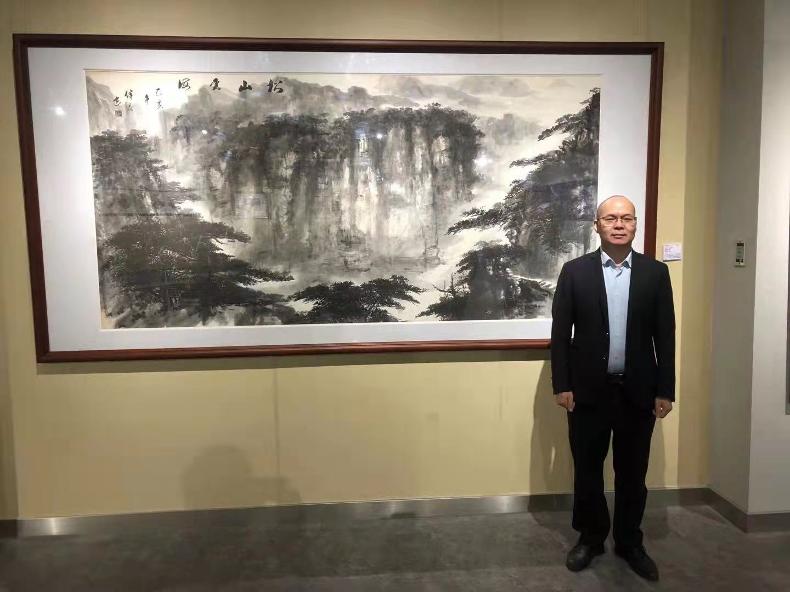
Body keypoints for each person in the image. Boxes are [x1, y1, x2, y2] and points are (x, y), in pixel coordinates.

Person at [550, 195, 675, 582]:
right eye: (610, 218)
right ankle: (590, 538)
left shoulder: (655, 273)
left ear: (635, 225)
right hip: (587, 391)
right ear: (597, 225)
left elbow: (665, 336)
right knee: (587, 471)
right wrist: (562, 384)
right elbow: (560, 335)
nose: (619, 224)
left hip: (638, 391)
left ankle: (630, 542)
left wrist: (665, 389)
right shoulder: (574, 272)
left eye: (626, 218)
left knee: (633, 474)